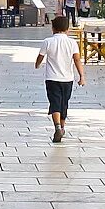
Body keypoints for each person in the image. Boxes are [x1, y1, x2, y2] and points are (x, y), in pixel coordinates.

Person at [36, 14, 85, 144]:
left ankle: (57, 126)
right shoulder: (72, 43)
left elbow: (40, 56)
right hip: (68, 79)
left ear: (52, 28)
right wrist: (82, 76)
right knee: (64, 103)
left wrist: (37, 64)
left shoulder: (48, 41)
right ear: (67, 29)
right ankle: (62, 128)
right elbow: (77, 60)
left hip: (52, 79)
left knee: (54, 103)